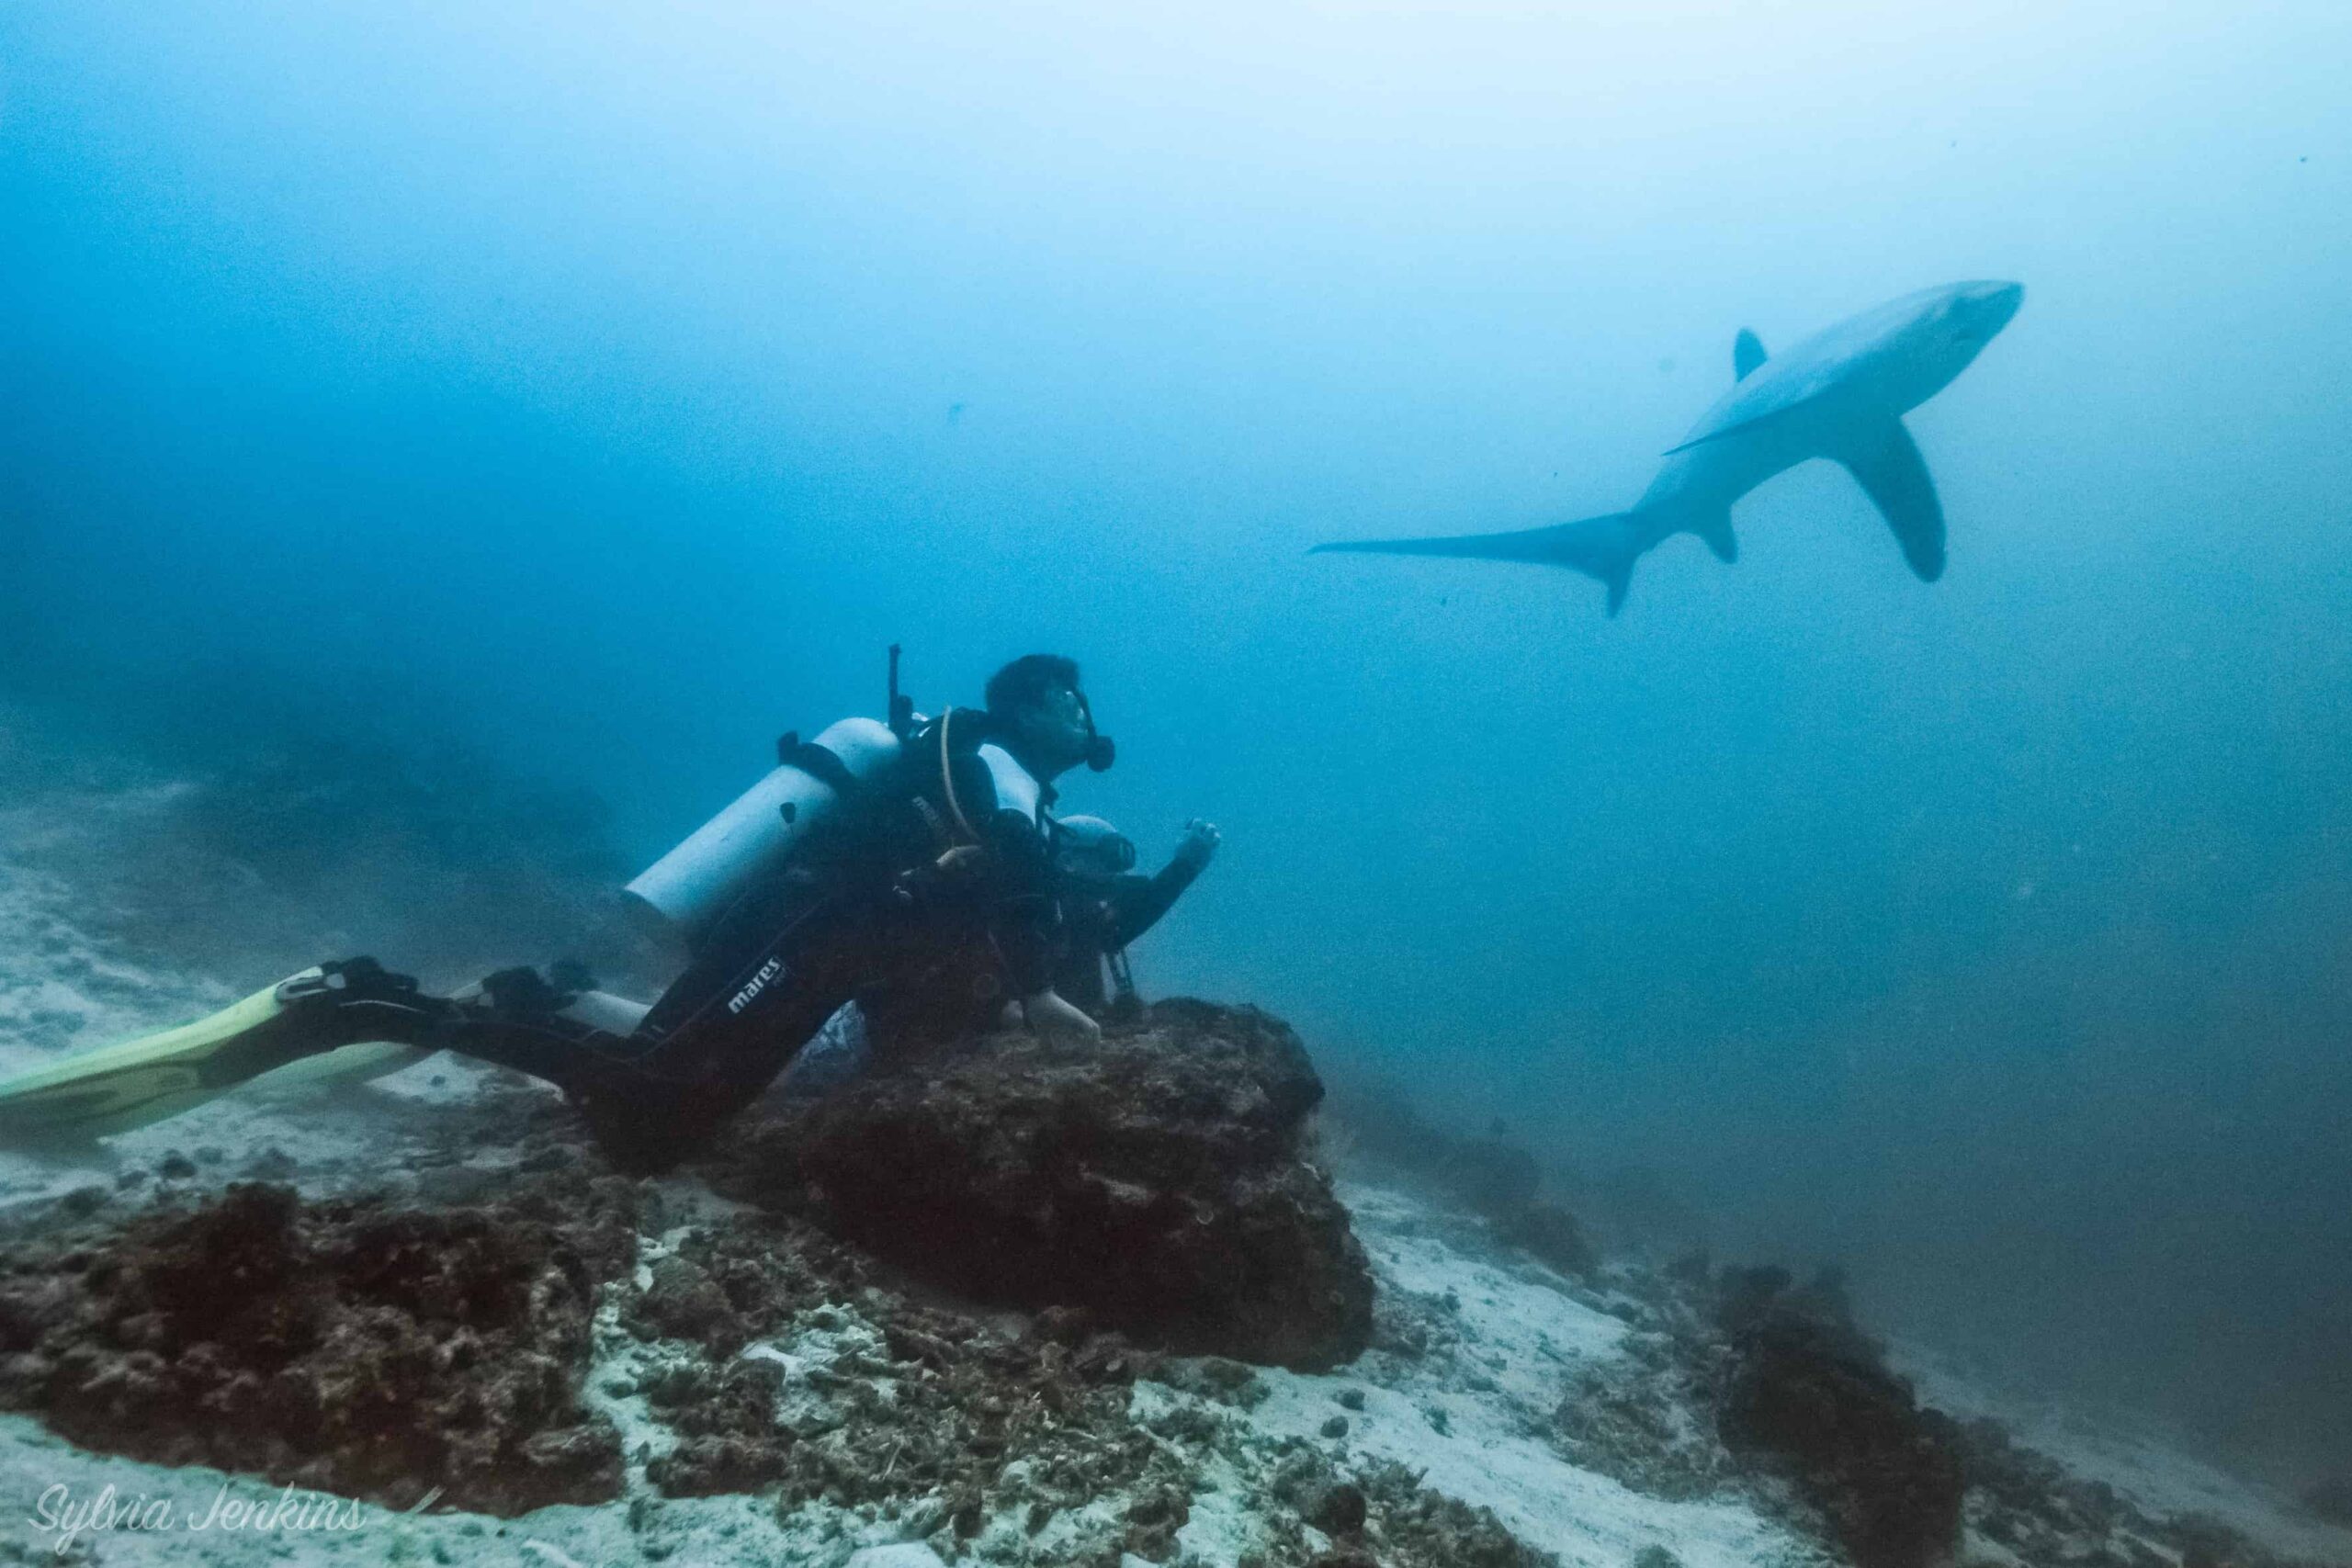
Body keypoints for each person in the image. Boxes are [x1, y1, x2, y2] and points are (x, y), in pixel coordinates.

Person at [0, 655, 1146, 1171]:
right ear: (1038, 703)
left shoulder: (983, 767)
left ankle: (510, 1001)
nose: (1085, 715)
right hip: (810, 937)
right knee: (655, 1117)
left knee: (656, 1070)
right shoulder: (1000, 762)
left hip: (799, 928)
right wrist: (1042, 987)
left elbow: (990, 891)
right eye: (1075, 698)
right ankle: (367, 1002)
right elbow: (998, 869)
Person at [1048, 814, 1219, 1021]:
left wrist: (1185, 867)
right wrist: (1184, 867)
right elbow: (1125, 921)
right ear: (1067, 861)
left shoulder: (1079, 907)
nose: (1118, 870)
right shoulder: (1040, 910)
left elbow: (1120, 927)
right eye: (1109, 856)